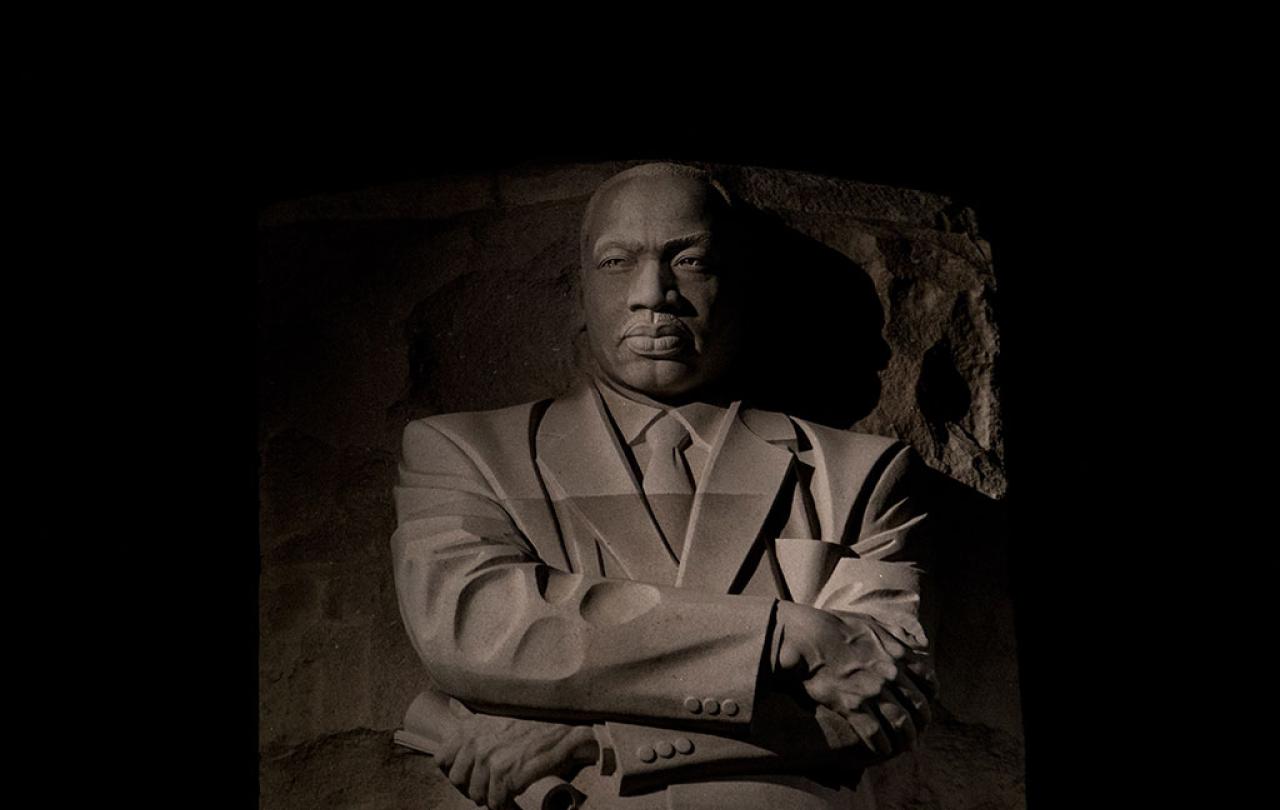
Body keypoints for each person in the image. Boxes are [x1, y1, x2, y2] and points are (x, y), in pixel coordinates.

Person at [391, 163, 938, 810]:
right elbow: (480, 629)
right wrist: (785, 634)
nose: (654, 292)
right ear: (582, 288)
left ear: (743, 284)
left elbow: (881, 704)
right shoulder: (468, 453)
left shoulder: (857, 473)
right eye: (618, 262)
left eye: (692, 261)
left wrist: (599, 738)